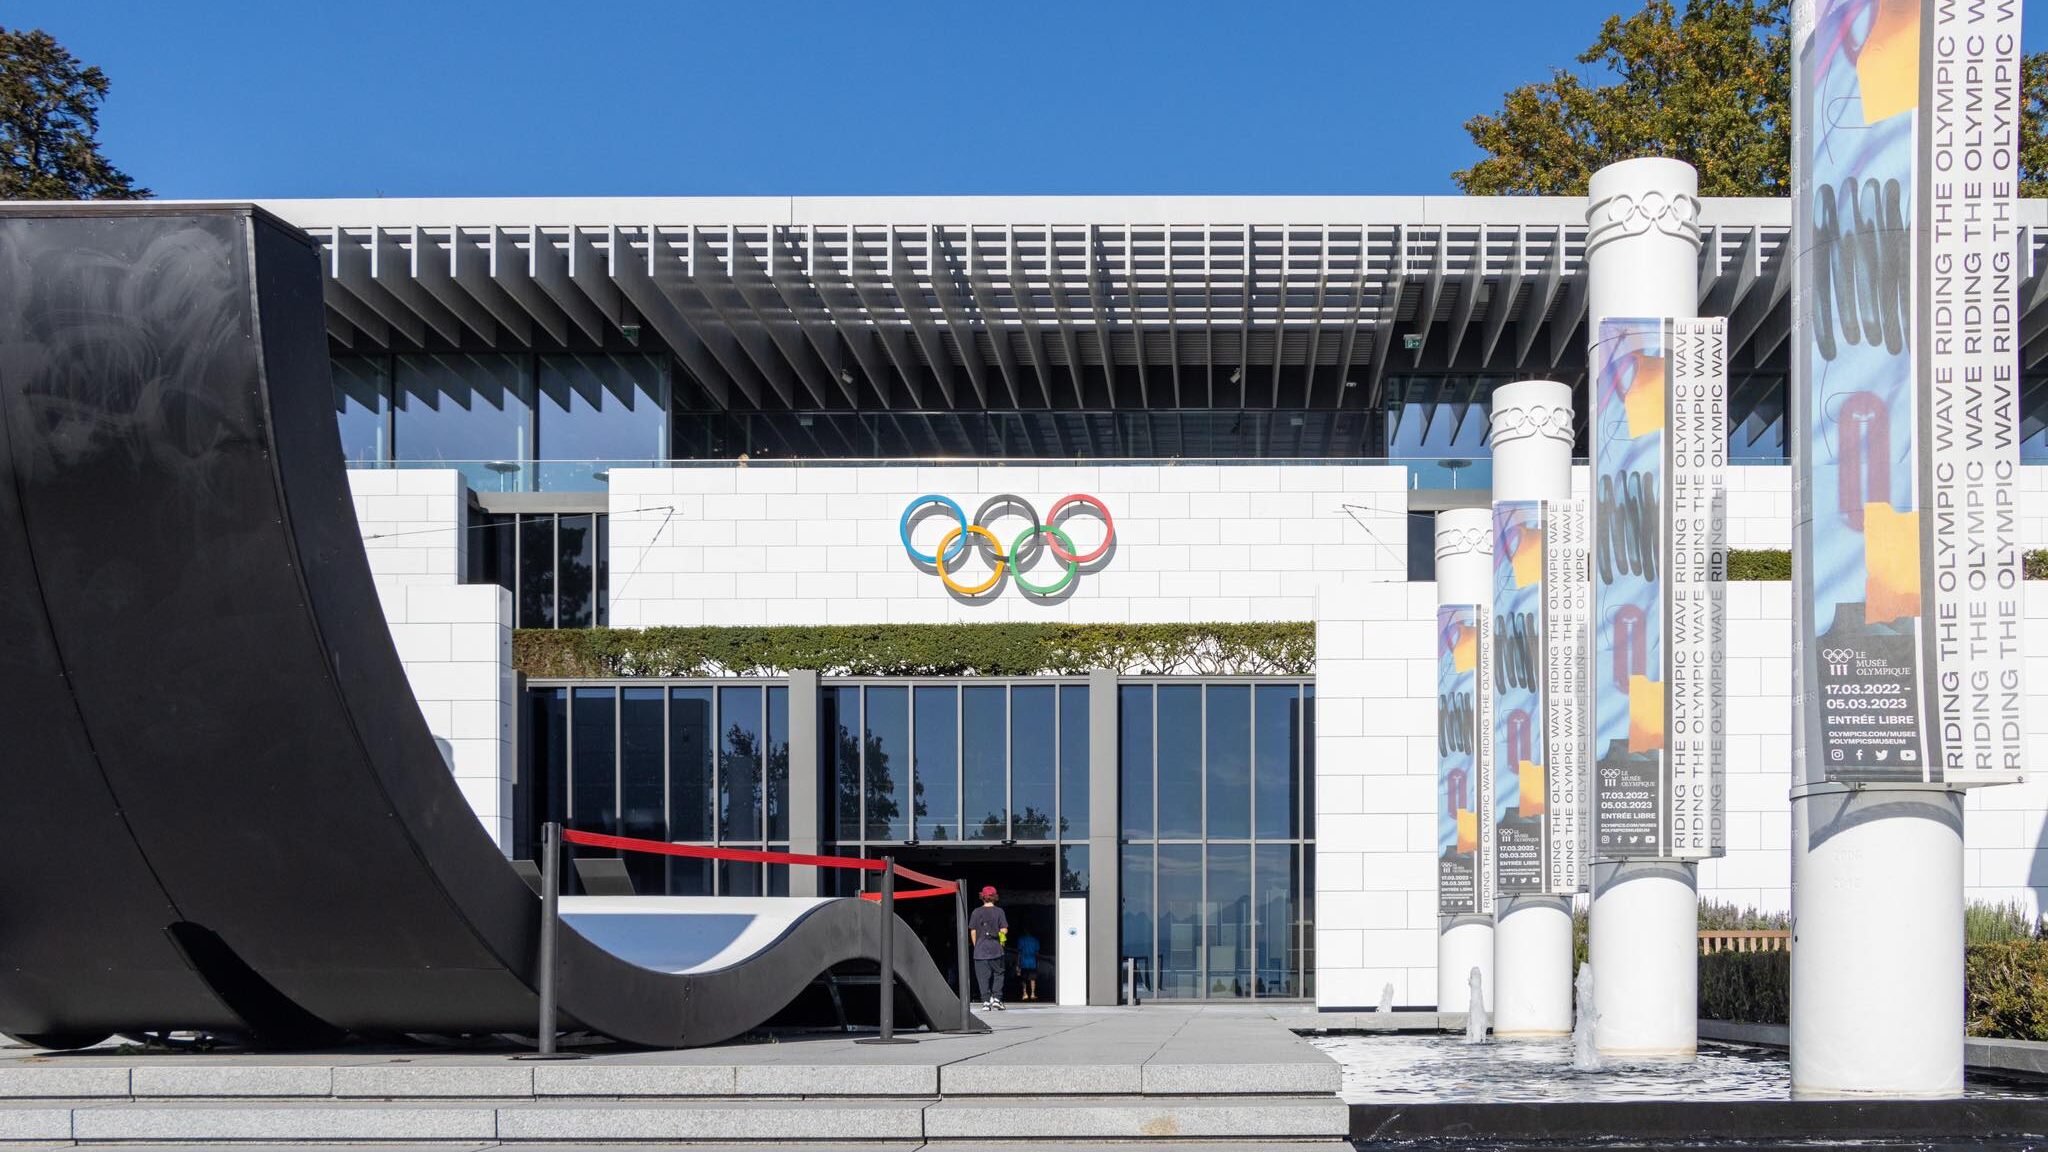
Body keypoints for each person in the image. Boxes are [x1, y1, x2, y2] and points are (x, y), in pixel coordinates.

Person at [966, 885, 1008, 1011]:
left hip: (980, 951)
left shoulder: (976, 912)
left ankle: (985, 1002)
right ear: (995, 897)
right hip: (996, 949)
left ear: (982, 897)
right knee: (999, 973)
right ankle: (996, 999)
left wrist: (976, 945)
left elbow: (973, 931)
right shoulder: (999, 911)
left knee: (982, 977)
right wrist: (1002, 943)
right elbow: (1004, 930)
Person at [1016, 930, 1041, 1002]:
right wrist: (1038, 963)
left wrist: (1017, 964)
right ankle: (1032, 994)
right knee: (1032, 979)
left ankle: (1025, 993)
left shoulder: (1021, 940)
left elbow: (1019, 953)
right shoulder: (1035, 940)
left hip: (1023, 962)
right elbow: (1037, 953)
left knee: (1023, 979)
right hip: (1033, 962)